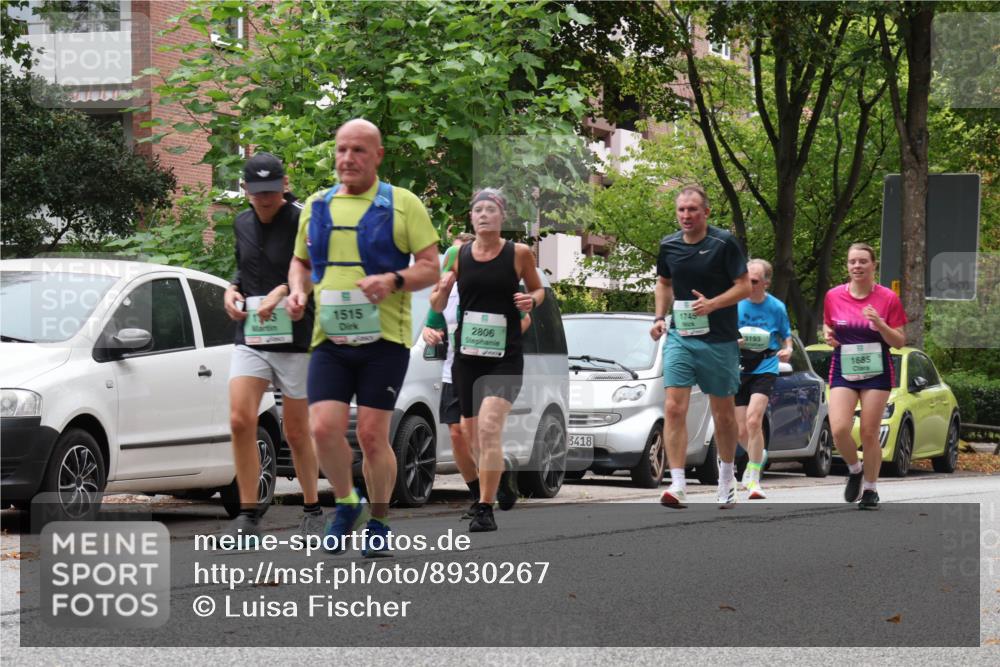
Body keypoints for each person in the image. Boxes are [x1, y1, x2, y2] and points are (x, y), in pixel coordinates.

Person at [286, 119, 440, 556]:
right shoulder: (316, 206)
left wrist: (392, 280)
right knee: (322, 429)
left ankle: (379, 520)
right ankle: (347, 502)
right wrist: (298, 291)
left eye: (358, 150)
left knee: (373, 435)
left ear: (378, 156)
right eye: (341, 149)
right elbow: (300, 263)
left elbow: (431, 267)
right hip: (329, 339)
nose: (347, 158)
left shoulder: (403, 204)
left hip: (384, 342)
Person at [429, 189, 543, 532]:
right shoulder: (457, 255)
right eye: (477, 209)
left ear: (502, 216)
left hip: (505, 358)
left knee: (490, 427)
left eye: (490, 209)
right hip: (467, 358)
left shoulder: (518, 253)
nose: (483, 215)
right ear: (471, 217)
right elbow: (437, 306)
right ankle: (498, 477)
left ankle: (484, 508)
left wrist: (531, 301)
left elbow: (538, 290)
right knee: (470, 435)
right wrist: (444, 288)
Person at [222, 152, 320, 539]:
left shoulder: (301, 218)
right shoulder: (241, 222)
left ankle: (312, 508)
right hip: (252, 335)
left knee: (296, 431)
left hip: (295, 336)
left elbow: (313, 269)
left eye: (272, 191)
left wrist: (282, 292)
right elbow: (242, 268)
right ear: (245, 189)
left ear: (284, 185)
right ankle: (248, 514)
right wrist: (231, 290)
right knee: (239, 420)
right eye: (258, 191)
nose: (265, 199)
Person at [650, 184, 751, 509]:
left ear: (706, 212)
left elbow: (744, 287)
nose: (686, 215)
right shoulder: (668, 245)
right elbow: (664, 283)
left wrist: (713, 304)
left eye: (693, 209)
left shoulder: (724, 243)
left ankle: (726, 476)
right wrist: (659, 317)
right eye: (681, 209)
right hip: (681, 337)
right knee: (673, 408)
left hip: (719, 339)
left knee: (723, 415)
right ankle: (678, 484)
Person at [823, 242, 906, 509]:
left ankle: (870, 489)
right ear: (847, 266)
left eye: (862, 261)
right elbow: (828, 324)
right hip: (844, 368)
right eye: (852, 262)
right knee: (839, 429)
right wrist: (827, 335)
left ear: (873, 265)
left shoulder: (888, 298)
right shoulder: (833, 295)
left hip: (876, 371)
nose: (857, 266)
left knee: (870, 432)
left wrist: (880, 324)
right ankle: (855, 469)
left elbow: (899, 341)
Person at [735, 258, 793, 500]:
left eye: (754, 281)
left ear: (766, 283)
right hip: (738, 366)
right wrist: (733, 341)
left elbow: (786, 337)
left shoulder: (776, 307)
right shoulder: (735, 303)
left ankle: (754, 477)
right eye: (745, 279)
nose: (748, 284)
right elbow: (723, 333)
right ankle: (758, 454)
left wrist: (788, 350)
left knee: (753, 420)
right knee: (740, 430)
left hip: (765, 365)